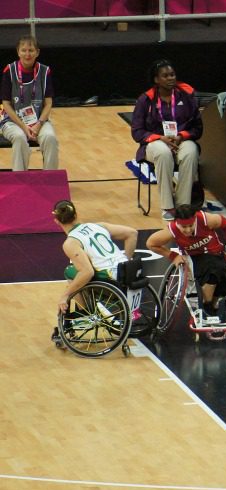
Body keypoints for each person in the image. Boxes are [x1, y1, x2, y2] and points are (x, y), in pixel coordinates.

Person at [51, 200, 137, 342]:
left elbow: (87, 272)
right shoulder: (98, 226)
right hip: (128, 271)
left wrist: (65, 295)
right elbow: (132, 233)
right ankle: (89, 308)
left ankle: (88, 313)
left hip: (111, 278)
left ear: (56, 221)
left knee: (71, 271)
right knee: (82, 271)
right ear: (76, 215)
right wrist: (126, 260)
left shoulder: (71, 243)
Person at [131, 59, 202, 221]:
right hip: (154, 144)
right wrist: (160, 138)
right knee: (163, 153)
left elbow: (197, 128)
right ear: (156, 80)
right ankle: (168, 206)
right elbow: (137, 132)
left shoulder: (186, 96)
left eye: (172, 74)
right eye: (165, 76)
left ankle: (183, 205)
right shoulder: (145, 100)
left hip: (181, 141)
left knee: (191, 152)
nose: (171, 78)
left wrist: (181, 136)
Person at [146, 205, 226, 322]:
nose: (188, 230)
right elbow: (151, 243)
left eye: (190, 225)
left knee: (221, 272)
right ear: (177, 222)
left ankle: (210, 303)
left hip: (215, 252)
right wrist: (173, 256)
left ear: (195, 219)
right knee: (213, 271)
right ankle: (208, 304)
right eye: (184, 227)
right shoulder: (171, 230)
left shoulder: (207, 220)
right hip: (193, 256)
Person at [0, 35, 59, 171]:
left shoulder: (45, 71)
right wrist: (24, 127)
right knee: (20, 138)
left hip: (38, 121)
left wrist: (38, 124)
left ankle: (50, 180)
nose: (27, 54)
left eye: (31, 50)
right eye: (24, 50)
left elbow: (48, 103)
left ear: (37, 52)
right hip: (12, 121)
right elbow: (6, 104)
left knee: (50, 138)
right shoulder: (9, 70)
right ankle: (20, 179)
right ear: (18, 51)